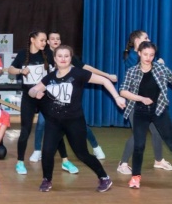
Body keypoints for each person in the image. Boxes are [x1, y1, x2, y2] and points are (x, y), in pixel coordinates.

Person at [28, 45, 126, 193]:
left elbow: (105, 81)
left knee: (82, 154)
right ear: (55, 59)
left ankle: (104, 177)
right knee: (47, 151)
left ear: (70, 58)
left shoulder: (79, 73)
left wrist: (117, 97)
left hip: (74, 120)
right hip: (54, 121)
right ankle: (46, 180)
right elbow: (32, 90)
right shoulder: (50, 77)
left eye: (66, 56)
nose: (63, 59)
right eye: (59, 56)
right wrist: (35, 92)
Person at [118, 41, 172, 191]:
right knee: (139, 145)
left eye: (151, 55)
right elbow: (123, 91)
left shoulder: (160, 69)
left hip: (159, 111)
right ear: (139, 53)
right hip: (140, 112)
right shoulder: (132, 71)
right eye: (145, 54)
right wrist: (141, 98)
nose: (148, 58)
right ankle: (135, 176)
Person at [30, 31, 111, 161]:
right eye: (52, 39)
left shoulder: (66, 57)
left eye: (58, 38)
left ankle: (96, 147)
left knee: (82, 127)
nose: (55, 41)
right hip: (48, 99)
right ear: (48, 42)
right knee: (41, 123)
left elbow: (86, 68)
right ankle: (37, 150)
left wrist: (106, 75)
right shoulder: (42, 55)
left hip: (67, 101)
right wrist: (35, 90)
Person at [8, 30, 77, 176]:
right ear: (32, 40)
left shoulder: (48, 54)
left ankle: (65, 161)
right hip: (28, 98)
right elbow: (11, 69)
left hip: (45, 97)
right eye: (42, 40)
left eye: (46, 40)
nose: (45, 43)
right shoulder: (22, 54)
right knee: (25, 130)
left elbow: (59, 69)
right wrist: (20, 71)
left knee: (55, 127)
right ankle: (20, 162)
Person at [117, 30, 172, 174]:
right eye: (146, 37)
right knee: (138, 134)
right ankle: (123, 163)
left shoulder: (146, 56)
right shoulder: (133, 57)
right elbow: (141, 71)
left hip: (149, 103)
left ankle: (159, 160)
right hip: (135, 103)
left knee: (157, 131)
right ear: (137, 41)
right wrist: (157, 64)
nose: (149, 39)